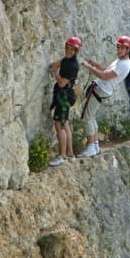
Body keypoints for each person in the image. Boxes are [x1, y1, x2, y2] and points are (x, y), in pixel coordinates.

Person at [78, 35, 130, 157]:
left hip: (101, 89)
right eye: (118, 47)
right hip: (102, 89)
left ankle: (91, 146)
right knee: (91, 116)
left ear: (128, 49)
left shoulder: (124, 64)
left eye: (122, 48)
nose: (118, 50)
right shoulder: (120, 61)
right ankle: (95, 145)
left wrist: (88, 67)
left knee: (86, 117)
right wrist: (96, 64)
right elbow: (106, 70)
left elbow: (104, 76)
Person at [49, 36, 82, 166]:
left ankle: (62, 155)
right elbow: (57, 63)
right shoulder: (67, 60)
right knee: (65, 124)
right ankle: (70, 153)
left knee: (59, 125)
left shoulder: (72, 65)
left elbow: (62, 83)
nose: (68, 51)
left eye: (71, 49)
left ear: (76, 51)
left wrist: (55, 73)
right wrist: (54, 66)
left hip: (63, 97)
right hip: (66, 96)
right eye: (67, 48)